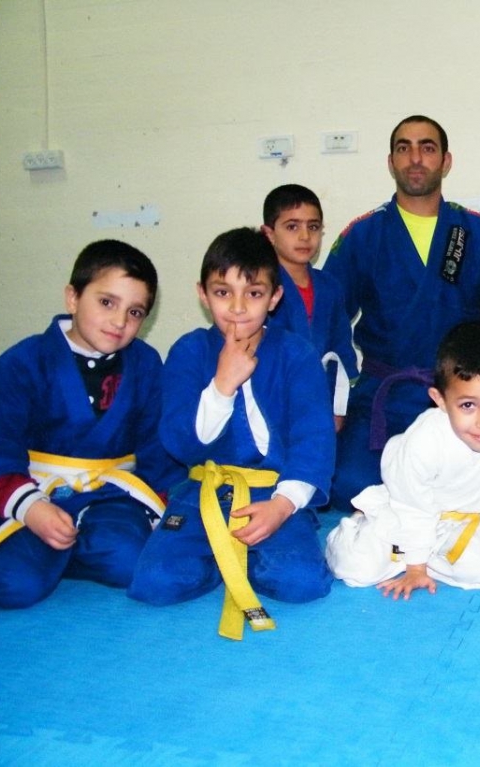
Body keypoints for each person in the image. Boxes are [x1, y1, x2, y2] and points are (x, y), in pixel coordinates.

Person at [128, 228, 334, 640]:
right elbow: (178, 442)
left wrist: (283, 506)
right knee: (155, 582)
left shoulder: (296, 354)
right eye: (223, 293)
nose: (238, 308)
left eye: (254, 294)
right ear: (203, 294)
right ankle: (223, 559)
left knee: (302, 583)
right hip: (203, 490)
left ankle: (256, 549)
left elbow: (315, 440)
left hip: (273, 491)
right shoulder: (189, 352)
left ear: (275, 297)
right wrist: (222, 385)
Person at [325, 115, 480, 509]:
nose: (415, 158)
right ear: (391, 162)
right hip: (385, 393)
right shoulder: (363, 235)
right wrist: (334, 398)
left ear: (446, 161)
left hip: (460, 396)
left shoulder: (474, 231)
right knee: (347, 485)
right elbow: (327, 319)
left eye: (427, 148)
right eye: (404, 148)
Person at [0, 240, 180, 609]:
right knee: (16, 584)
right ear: (73, 298)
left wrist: (159, 508)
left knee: (131, 562)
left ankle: (57, 554)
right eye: (107, 302)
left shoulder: (145, 364)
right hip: (36, 491)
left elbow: (157, 447)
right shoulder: (23, 362)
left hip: (110, 496)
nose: (120, 322)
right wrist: (31, 509)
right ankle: (34, 548)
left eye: (135, 312)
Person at [326, 321, 480, 598]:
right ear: (440, 399)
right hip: (405, 506)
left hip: (466, 515)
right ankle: (365, 523)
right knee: (357, 569)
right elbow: (412, 504)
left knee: (475, 574)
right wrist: (416, 566)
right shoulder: (425, 438)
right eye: (468, 405)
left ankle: (419, 549)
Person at [262, 184, 357, 432]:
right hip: (271, 402)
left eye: (313, 227)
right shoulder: (259, 288)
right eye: (292, 227)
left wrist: (339, 407)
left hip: (323, 403)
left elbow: (342, 349)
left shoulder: (329, 287)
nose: (305, 236)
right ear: (269, 233)